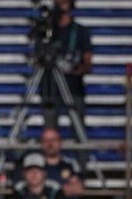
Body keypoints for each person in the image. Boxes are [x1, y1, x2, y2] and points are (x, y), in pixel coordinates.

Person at [39, 0, 93, 133]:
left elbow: (88, 62)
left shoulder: (81, 31)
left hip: (74, 88)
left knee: (79, 130)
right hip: (50, 89)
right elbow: (38, 58)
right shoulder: (47, 33)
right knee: (50, 130)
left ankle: (82, 154)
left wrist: (75, 69)